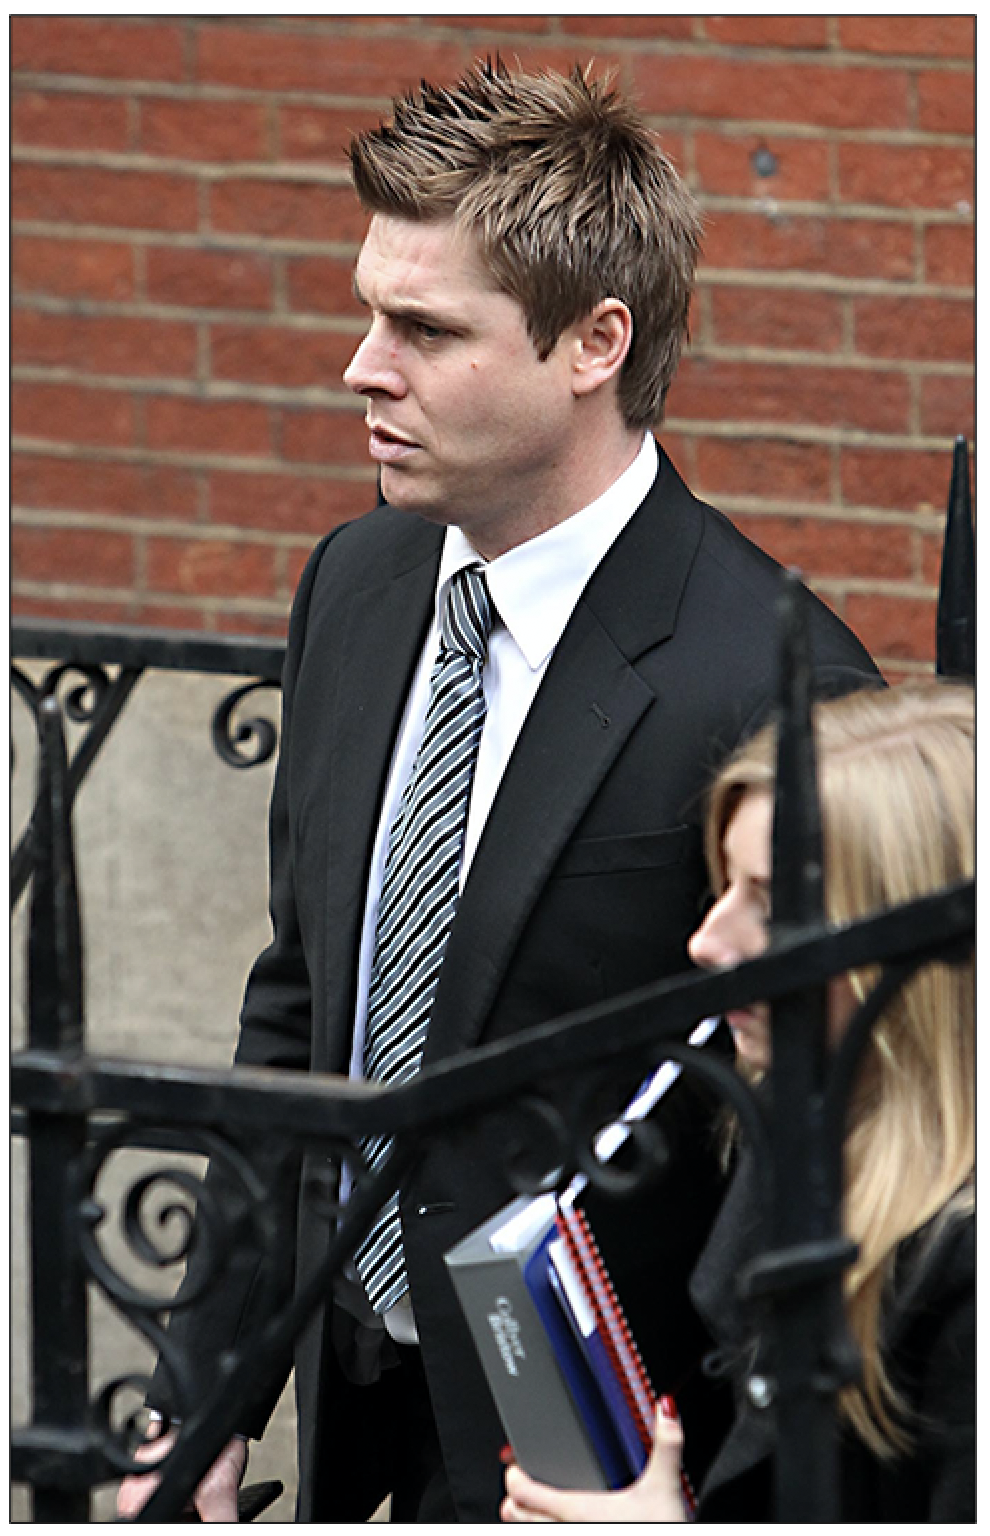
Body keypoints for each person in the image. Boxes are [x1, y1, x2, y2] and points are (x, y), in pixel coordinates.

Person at [118, 60, 879, 1523]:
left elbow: (808, 1157)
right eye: (368, 311)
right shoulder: (357, 579)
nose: (360, 365)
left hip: (588, 1463)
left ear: (594, 342)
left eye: (421, 328)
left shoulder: (775, 685)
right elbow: (300, 1008)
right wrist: (206, 1384)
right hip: (344, 1391)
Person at [503, 682, 975, 1523]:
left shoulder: (963, 1275)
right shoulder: (788, 1131)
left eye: (772, 905)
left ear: (915, 946)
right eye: (724, 886)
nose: (709, 942)